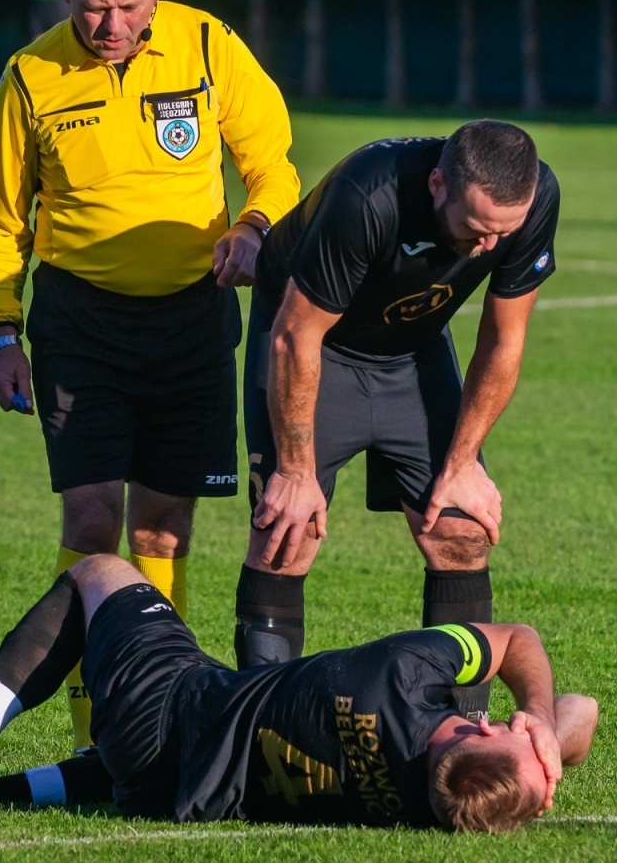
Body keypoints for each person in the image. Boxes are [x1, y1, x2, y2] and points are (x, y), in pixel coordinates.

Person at [0, 0, 299, 749]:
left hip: (191, 321)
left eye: (126, 6)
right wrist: (1, 333)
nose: (110, 27)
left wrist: (256, 227)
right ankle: (94, 735)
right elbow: (4, 221)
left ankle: (149, 720)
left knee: (162, 530)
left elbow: (274, 163)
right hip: (80, 325)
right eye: (91, 10)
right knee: (90, 526)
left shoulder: (207, 47)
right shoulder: (31, 75)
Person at [0, 555, 599, 832]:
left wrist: (531, 719)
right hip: (172, 786)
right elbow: (583, 716)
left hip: (170, 704)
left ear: (467, 737)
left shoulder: (400, 680)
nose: (501, 718)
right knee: (117, 767)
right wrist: (546, 743)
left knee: (98, 574)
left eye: (496, 727)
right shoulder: (419, 809)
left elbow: (516, 640)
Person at [235, 122, 561, 725]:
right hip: (312, 345)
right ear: (438, 184)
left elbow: (504, 338)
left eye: (503, 233)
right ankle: (261, 729)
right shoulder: (368, 196)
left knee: (461, 532)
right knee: (287, 531)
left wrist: (462, 465)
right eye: (476, 228)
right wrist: (296, 470)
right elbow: (294, 336)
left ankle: (461, 729)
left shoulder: (534, 199)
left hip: (411, 350)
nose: (489, 248)